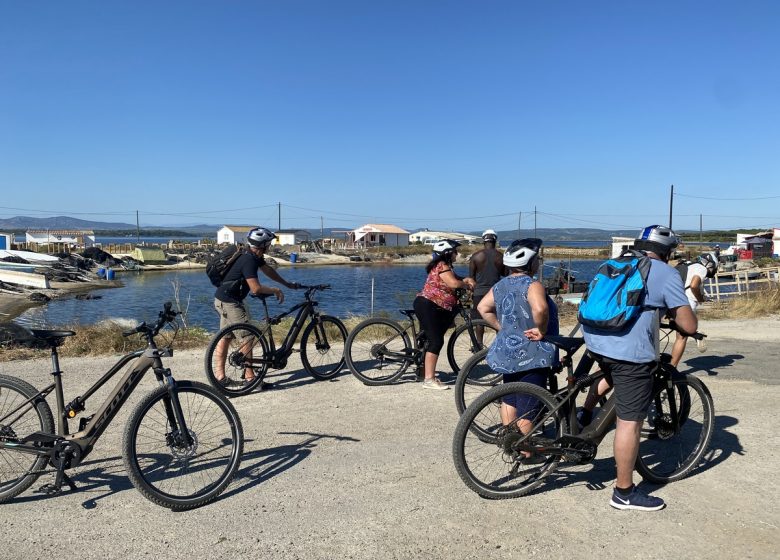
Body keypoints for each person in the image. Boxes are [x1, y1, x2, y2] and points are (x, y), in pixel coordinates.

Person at [582, 225, 697, 511]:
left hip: (596, 339)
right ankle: (623, 492)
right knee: (630, 422)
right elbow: (689, 325)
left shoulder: (614, 262)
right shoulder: (666, 273)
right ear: (667, 252)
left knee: (609, 374)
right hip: (630, 353)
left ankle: (584, 416)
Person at [477, 239, 558, 439]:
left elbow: (482, 308)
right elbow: (540, 308)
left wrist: (501, 327)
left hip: (507, 351)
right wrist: (542, 329)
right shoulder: (532, 285)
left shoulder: (500, 285)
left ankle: (511, 441)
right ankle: (527, 451)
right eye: (537, 259)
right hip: (532, 352)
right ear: (530, 263)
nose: (539, 262)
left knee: (510, 398)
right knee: (529, 404)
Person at [213, 227, 298, 388]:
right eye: (269, 244)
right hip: (231, 302)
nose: (270, 247)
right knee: (248, 336)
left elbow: (268, 270)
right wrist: (275, 290)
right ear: (263, 245)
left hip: (221, 299)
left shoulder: (250, 254)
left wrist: (286, 284)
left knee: (226, 337)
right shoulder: (249, 260)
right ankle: (251, 378)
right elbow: (256, 289)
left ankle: (220, 377)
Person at [413, 239, 475, 390]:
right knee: (436, 341)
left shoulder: (445, 267)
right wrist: (466, 284)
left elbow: (453, 278)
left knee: (432, 337)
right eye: (455, 251)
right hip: (427, 305)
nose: (457, 254)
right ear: (447, 253)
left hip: (431, 306)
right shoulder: (441, 265)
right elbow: (453, 283)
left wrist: (464, 279)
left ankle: (423, 368)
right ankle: (429, 379)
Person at [670, 253, 717, 367]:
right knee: (681, 337)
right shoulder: (701, 269)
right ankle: (672, 369)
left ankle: (695, 334)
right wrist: (700, 298)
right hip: (686, 303)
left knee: (675, 330)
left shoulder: (687, 265)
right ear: (710, 264)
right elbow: (694, 285)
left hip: (672, 300)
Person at [468, 229, 506, 344]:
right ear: (495, 240)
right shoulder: (501, 256)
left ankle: (479, 345)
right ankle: (500, 344)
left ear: (483, 241)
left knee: (479, 320)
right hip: (496, 292)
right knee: (497, 319)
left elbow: (471, 278)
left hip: (479, 292)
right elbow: (505, 274)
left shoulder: (476, 256)